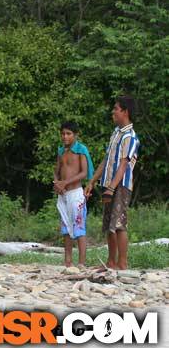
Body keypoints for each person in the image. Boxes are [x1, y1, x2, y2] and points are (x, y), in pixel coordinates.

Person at [84, 96, 140, 270]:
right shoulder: (116, 133)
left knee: (119, 224)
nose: (113, 111)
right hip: (108, 183)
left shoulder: (130, 137)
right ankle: (111, 262)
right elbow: (107, 160)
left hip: (120, 185)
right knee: (109, 224)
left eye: (116, 108)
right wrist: (92, 181)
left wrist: (111, 188)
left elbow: (123, 165)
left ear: (125, 111)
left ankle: (122, 264)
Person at [53, 121, 94, 268]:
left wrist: (66, 182)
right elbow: (56, 171)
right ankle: (68, 261)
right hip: (63, 195)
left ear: (75, 135)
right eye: (63, 133)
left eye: (68, 133)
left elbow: (83, 172)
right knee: (66, 228)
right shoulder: (61, 151)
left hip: (76, 194)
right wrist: (57, 183)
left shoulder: (81, 149)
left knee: (79, 228)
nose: (65, 136)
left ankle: (82, 262)